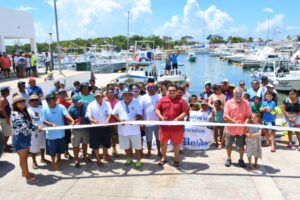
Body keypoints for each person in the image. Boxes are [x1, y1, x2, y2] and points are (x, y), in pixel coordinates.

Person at [11, 95, 43, 183]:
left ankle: (24, 173)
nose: (22, 103)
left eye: (23, 101)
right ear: (15, 104)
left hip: (25, 137)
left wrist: (36, 127)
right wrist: (37, 128)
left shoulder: (23, 112)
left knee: (24, 158)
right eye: (19, 102)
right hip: (20, 139)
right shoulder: (15, 113)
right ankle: (27, 176)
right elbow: (23, 126)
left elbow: (28, 124)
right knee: (23, 158)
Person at [155, 84, 188, 167]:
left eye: (174, 91)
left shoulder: (181, 101)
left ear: (177, 92)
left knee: (176, 144)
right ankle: (163, 158)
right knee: (163, 143)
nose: (172, 92)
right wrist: (161, 117)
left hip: (176, 128)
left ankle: (176, 159)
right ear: (167, 91)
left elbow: (185, 112)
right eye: (170, 90)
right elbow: (157, 109)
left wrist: (177, 119)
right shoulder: (162, 100)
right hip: (164, 127)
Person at [41, 94, 74, 170]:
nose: (50, 103)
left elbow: (66, 114)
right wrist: (51, 124)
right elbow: (43, 120)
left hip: (60, 133)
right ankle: (53, 163)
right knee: (52, 151)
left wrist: (72, 120)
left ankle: (59, 159)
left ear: (55, 100)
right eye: (48, 101)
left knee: (59, 149)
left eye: (51, 101)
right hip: (51, 135)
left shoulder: (61, 107)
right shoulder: (44, 109)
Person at [111, 88, 143, 168]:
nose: (127, 96)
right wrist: (119, 120)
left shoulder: (136, 103)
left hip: (134, 130)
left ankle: (138, 160)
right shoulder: (119, 103)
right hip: (123, 131)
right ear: (122, 95)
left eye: (129, 94)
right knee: (126, 146)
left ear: (132, 95)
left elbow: (139, 114)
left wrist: (134, 120)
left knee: (137, 146)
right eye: (125, 95)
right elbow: (113, 113)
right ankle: (129, 159)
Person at [224, 87, 251, 168]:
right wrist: (234, 122)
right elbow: (225, 115)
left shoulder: (246, 103)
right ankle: (228, 159)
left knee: (241, 145)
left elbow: (248, 116)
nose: (238, 96)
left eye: (239, 94)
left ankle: (241, 159)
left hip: (241, 129)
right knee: (229, 145)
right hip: (230, 128)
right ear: (233, 94)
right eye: (236, 94)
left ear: (242, 94)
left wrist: (246, 123)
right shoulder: (228, 103)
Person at [86, 90, 113, 166]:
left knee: (106, 143)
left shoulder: (107, 103)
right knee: (95, 145)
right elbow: (89, 117)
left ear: (102, 96)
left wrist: (107, 120)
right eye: (96, 96)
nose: (98, 97)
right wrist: (94, 121)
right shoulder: (90, 105)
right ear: (94, 97)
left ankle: (105, 157)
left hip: (105, 126)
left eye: (99, 96)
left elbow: (109, 113)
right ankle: (98, 160)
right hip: (95, 128)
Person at [139, 83, 161, 157]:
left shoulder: (159, 96)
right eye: (149, 88)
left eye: (152, 87)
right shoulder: (143, 98)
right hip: (147, 122)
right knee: (149, 138)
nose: (151, 89)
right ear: (147, 88)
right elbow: (140, 111)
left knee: (158, 138)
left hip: (158, 122)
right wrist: (142, 122)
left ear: (155, 88)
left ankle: (159, 151)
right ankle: (149, 151)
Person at [68, 95, 91, 168]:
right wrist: (72, 122)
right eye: (78, 102)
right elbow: (68, 120)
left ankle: (85, 156)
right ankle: (76, 159)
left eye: (80, 101)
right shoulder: (70, 109)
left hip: (86, 128)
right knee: (75, 145)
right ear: (74, 102)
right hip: (76, 130)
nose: (80, 103)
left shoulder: (86, 104)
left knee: (85, 143)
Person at [27, 95, 48, 169]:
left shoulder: (42, 107)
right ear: (30, 102)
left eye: (36, 100)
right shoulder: (28, 110)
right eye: (32, 100)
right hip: (34, 131)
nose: (35, 102)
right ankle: (34, 162)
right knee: (34, 147)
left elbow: (45, 118)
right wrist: (36, 127)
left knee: (43, 145)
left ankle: (43, 158)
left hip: (43, 129)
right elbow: (28, 122)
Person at [57, 89, 72, 159]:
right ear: (58, 95)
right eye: (61, 94)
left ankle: (66, 152)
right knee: (59, 140)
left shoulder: (68, 104)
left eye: (64, 94)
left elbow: (70, 114)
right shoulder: (56, 104)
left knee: (67, 140)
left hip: (66, 124)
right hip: (58, 125)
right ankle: (59, 154)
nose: (62, 95)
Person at [104, 88, 119, 156]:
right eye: (109, 92)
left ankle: (114, 149)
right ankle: (105, 151)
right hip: (105, 122)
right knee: (106, 137)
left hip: (114, 122)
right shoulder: (104, 100)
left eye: (112, 92)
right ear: (107, 93)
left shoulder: (117, 101)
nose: (111, 93)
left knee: (114, 137)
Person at [0, 87, 12, 152]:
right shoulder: (3, 99)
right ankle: (4, 147)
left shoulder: (2, 98)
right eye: (8, 91)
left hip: (3, 118)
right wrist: (7, 118)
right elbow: (2, 109)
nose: (9, 92)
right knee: (8, 133)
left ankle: (5, 145)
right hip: (4, 119)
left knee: (6, 133)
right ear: (5, 92)